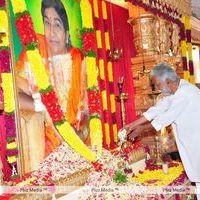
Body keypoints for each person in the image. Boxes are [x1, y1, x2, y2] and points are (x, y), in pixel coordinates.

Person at [16, 0, 88, 173]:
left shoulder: (77, 58)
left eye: (57, 24)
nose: (51, 31)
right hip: (41, 140)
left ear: (67, 31)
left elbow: (87, 107)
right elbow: (15, 86)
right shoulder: (33, 51)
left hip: (75, 138)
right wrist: (42, 103)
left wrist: (81, 133)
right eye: (46, 22)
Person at [125, 62, 200, 198]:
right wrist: (132, 124)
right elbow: (158, 108)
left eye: (158, 85)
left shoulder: (185, 92)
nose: (158, 89)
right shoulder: (177, 90)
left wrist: (141, 129)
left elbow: (165, 118)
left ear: (168, 81)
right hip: (193, 145)